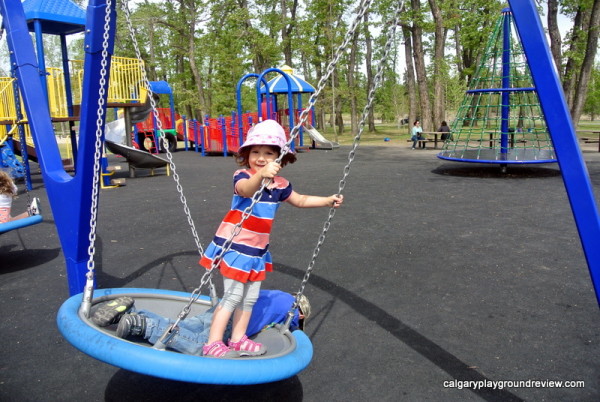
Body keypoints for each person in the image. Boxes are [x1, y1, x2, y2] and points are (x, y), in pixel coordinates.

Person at [199, 119, 343, 358]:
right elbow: (246, 190)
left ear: (280, 158)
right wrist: (261, 175)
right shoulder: (243, 175)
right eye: (255, 152)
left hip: (257, 250)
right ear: (246, 155)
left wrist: (327, 200)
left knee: (250, 298)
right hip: (235, 247)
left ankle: (237, 339)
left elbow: (300, 200)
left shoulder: (280, 185)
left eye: (268, 153)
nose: (261, 157)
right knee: (233, 296)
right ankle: (213, 342)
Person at [91, 290, 311, 357]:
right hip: (232, 325)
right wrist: (295, 329)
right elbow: (289, 331)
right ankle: (143, 326)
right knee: (198, 346)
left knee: (184, 326)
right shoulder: (291, 310)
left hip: (222, 310)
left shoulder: (274, 294)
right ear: (300, 313)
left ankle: (130, 313)